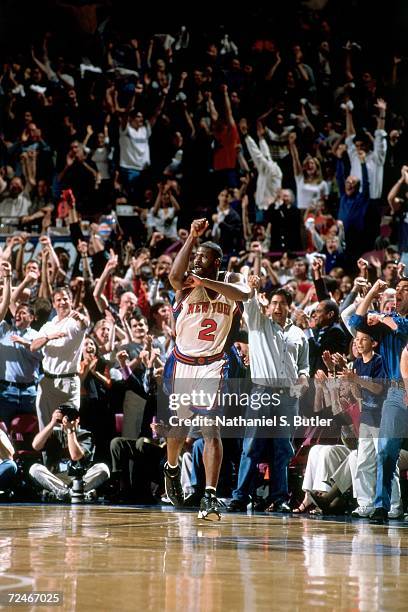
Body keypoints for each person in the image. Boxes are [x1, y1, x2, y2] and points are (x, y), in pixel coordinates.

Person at [160, 217, 250, 520]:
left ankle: (210, 496)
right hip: (183, 363)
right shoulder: (185, 286)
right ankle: (171, 468)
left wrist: (206, 282)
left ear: (216, 261)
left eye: (202, 256)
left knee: (212, 430)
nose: (197, 260)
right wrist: (191, 237)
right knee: (178, 427)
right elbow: (174, 274)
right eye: (195, 256)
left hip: (213, 364)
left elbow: (244, 295)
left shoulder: (230, 282)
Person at [227, 280, 309, 513]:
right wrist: (253, 289)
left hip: (288, 396)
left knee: (283, 449)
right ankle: (240, 496)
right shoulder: (258, 324)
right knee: (252, 446)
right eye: (274, 303)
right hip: (261, 392)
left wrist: (303, 380)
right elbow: (249, 305)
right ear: (269, 306)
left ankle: (280, 497)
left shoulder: (298, 334)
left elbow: (303, 366)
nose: (278, 307)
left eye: (282, 303)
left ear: (289, 307)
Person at [349, 278, 408, 523]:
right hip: (396, 392)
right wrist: (373, 291)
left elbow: (402, 328)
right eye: (398, 290)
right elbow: (354, 322)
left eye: (406, 290)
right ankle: (382, 505)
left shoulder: (393, 323)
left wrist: (381, 318)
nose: (400, 294)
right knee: (385, 451)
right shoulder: (382, 326)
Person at [30, 287, 89, 431]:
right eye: (59, 300)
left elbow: (84, 324)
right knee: (46, 428)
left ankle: (69, 454)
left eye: (65, 299)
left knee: (69, 427)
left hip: (68, 382)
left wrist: (81, 318)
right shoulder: (48, 326)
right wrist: (49, 337)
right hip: (48, 382)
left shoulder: (74, 321)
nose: (62, 302)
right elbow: (33, 347)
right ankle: (47, 454)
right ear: (54, 304)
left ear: (71, 302)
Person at [29, 406, 109, 501]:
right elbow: (35, 446)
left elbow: (75, 456)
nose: (66, 422)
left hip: (79, 479)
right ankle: (71, 493)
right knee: (34, 468)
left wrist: (70, 431)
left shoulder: (86, 435)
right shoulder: (54, 433)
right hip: (56, 479)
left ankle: (67, 493)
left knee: (103, 468)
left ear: (77, 419)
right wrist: (52, 423)